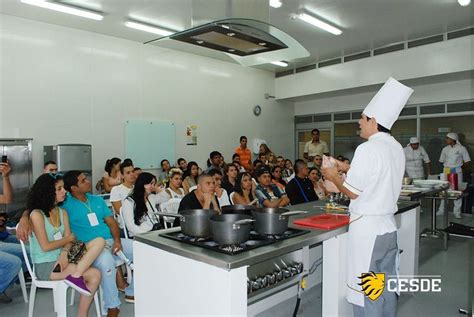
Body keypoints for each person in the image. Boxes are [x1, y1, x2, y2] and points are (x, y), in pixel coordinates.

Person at [322, 77, 413, 316]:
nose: (359, 122)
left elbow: (352, 192)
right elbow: (377, 175)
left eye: (362, 118)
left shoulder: (367, 148)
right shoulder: (395, 147)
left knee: (368, 291)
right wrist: (346, 168)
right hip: (387, 228)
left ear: (373, 120)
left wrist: (332, 175)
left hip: (368, 231)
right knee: (385, 285)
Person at [28, 174, 104, 317]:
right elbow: (46, 246)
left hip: (64, 258)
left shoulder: (62, 212)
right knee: (95, 274)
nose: (65, 192)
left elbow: (70, 241)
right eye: (59, 189)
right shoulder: (36, 215)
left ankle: (76, 275)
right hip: (46, 265)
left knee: (100, 240)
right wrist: (68, 239)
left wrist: (64, 252)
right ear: (48, 192)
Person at [62, 171, 134, 316]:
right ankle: (113, 306)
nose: (88, 181)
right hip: (89, 248)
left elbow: (112, 223)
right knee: (106, 262)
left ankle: (131, 291)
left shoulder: (96, 200)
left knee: (143, 251)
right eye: (83, 181)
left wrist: (117, 241)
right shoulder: (65, 204)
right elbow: (36, 208)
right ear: (73, 188)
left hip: (110, 241)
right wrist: (26, 217)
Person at [437, 132, 471, 219]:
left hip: (457, 171)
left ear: (453, 139)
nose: (446, 140)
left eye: (448, 138)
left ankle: (457, 212)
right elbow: (441, 161)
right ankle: (441, 210)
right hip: (446, 170)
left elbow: (467, 161)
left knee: (457, 190)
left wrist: (460, 168)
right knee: (444, 189)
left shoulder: (462, 148)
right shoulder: (445, 149)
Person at [121, 173, 163, 237]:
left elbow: (167, 197)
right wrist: (147, 235)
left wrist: (160, 190)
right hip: (139, 236)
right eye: (150, 183)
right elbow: (131, 227)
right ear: (142, 184)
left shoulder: (151, 197)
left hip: (155, 234)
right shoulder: (129, 202)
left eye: (154, 184)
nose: (153, 187)